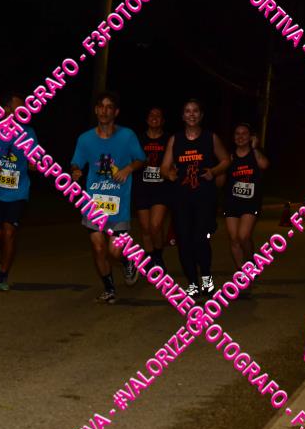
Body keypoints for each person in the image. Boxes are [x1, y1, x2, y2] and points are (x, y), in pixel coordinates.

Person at [71, 92, 146, 304]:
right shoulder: (85, 139)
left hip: (118, 203)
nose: (104, 111)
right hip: (94, 203)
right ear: (96, 110)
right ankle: (109, 288)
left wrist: (128, 169)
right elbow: (76, 162)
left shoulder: (127, 136)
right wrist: (75, 171)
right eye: (101, 106)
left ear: (116, 112)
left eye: (109, 107)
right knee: (98, 247)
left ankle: (128, 261)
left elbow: (141, 159)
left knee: (114, 251)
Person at [161, 99, 230, 298]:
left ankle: (206, 277)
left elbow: (226, 160)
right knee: (184, 241)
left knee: (200, 239)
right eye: (187, 111)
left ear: (201, 115)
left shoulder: (210, 138)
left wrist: (214, 171)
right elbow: (164, 167)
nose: (191, 114)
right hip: (181, 199)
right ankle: (192, 282)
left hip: (204, 198)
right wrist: (169, 174)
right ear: (183, 116)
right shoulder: (175, 139)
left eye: (195, 111)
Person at [0, 92, 37, 291]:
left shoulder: (28, 132)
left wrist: (34, 164)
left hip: (18, 192)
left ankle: (2, 276)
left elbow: (35, 158)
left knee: (9, 232)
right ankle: (1, 252)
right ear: (5, 110)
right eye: (18, 109)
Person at [223, 124, 270, 283]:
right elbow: (221, 176)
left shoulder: (255, 154)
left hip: (250, 203)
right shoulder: (229, 156)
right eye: (237, 133)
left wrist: (255, 148)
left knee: (243, 236)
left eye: (244, 133)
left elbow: (264, 165)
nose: (240, 136)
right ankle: (240, 270)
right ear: (233, 137)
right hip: (231, 202)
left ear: (251, 137)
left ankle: (250, 262)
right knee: (234, 238)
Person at [132, 107, 174, 281]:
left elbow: (175, 161)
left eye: (158, 115)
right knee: (145, 228)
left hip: (161, 188)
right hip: (142, 188)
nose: (154, 117)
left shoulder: (169, 139)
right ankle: (150, 260)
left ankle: (158, 257)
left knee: (155, 226)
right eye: (151, 115)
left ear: (163, 120)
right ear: (147, 119)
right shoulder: (138, 139)